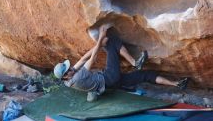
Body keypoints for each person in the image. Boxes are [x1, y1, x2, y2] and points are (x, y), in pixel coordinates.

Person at [54, 25, 188, 102]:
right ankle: (135, 62)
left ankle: (177, 84)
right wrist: (101, 38)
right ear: (66, 76)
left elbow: (83, 59)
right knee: (111, 41)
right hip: (109, 77)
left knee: (145, 75)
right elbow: (92, 58)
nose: (70, 68)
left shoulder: (68, 79)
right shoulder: (78, 77)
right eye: (68, 69)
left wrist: (99, 45)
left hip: (112, 84)